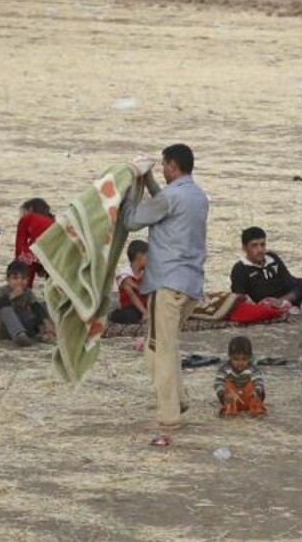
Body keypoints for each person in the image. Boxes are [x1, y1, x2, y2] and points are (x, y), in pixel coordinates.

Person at [122, 144, 208, 430]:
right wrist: (148, 182)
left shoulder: (171, 196)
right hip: (191, 283)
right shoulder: (197, 196)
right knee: (163, 346)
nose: (163, 170)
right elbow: (165, 206)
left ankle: (169, 414)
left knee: (160, 351)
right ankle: (178, 399)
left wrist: (134, 187)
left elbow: (132, 220)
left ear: (172, 165)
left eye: (163, 166)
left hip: (167, 284)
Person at [0, 261, 54, 347]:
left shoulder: (27, 292)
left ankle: (41, 334)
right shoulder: (2, 290)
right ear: (8, 280)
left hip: (25, 327)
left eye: (23, 278)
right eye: (15, 278)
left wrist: (47, 322)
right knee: (5, 309)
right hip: (5, 329)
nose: (19, 281)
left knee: (42, 306)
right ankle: (19, 336)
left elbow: (37, 307)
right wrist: (12, 296)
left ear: (28, 280)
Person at [214, 336, 266, 418]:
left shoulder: (253, 369)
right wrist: (223, 394)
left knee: (252, 385)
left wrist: (257, 391)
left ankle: (257, 410)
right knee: (228, 384)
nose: (240, 363)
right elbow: (218, 383)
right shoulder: (225, 369)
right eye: (236, 359)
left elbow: (259, 381)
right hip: (232, 399)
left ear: (249, 357)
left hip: (249, 398)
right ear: (230, 357)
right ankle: (230, 411)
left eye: (244, 359)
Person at [15, 198, 56, 288]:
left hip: (40, 249)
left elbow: (20, 244)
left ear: (30, 209)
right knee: (53, 281)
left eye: (24, 211)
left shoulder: (27, 218)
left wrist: (18, 265)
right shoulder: (52, 221)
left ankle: (25, 292)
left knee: (25, 266)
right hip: (55, 252)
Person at [109, 239, 149, 325]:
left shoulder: (147, 271)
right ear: (139, 256)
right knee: (130, 316)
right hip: (131, 307)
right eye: (147, 256)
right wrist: (144, 312)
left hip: (147, 305)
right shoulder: (124, 274)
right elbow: (132, 295)